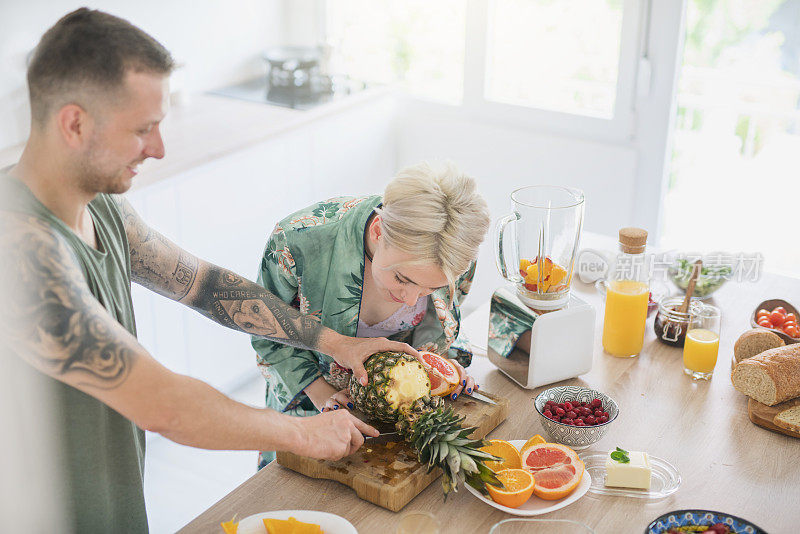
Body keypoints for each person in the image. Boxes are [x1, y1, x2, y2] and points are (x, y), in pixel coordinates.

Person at [0, 9, 417, 533]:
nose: (159, 148)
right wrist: (301, 433)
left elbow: (204, 285)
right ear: (74, 123)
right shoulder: (17, 250)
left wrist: (339, 344)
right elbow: (161, 405)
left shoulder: (100, 205)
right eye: (142, 129)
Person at [252, 161, 491, 467]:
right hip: (310, 414)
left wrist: (443, 368)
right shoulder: (296, 243)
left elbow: (443, 324)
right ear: (379, 232)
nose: (410, 299)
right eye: (402, 279)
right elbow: (264, 332)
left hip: (407, 418)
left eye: (429, 288)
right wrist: (324, 394)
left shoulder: (455, 250)